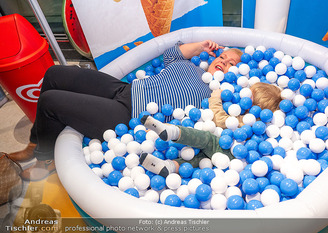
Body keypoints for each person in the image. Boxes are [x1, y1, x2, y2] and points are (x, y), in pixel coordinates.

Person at [8, 40, 243, 181]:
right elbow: (171, 52)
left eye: (231, 63)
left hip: (129, 117)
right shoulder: (189, 66)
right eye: (222, 56)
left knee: (51, 101)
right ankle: (36, 143)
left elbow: (227, 119)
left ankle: (45, 159)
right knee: (54, 73)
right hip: (125, 89)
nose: (223, 61)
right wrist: (201, 45)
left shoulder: (217, 96)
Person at [139, 82, 283, 177]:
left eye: (247, 95)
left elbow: (219, 120)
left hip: (230, 152)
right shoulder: (255, 122)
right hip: (222, 158)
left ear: (252, 106)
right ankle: (169, 166)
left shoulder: (246, 122)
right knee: (198, 159)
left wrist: (216, 97)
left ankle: (172, 131)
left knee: (206, 139)